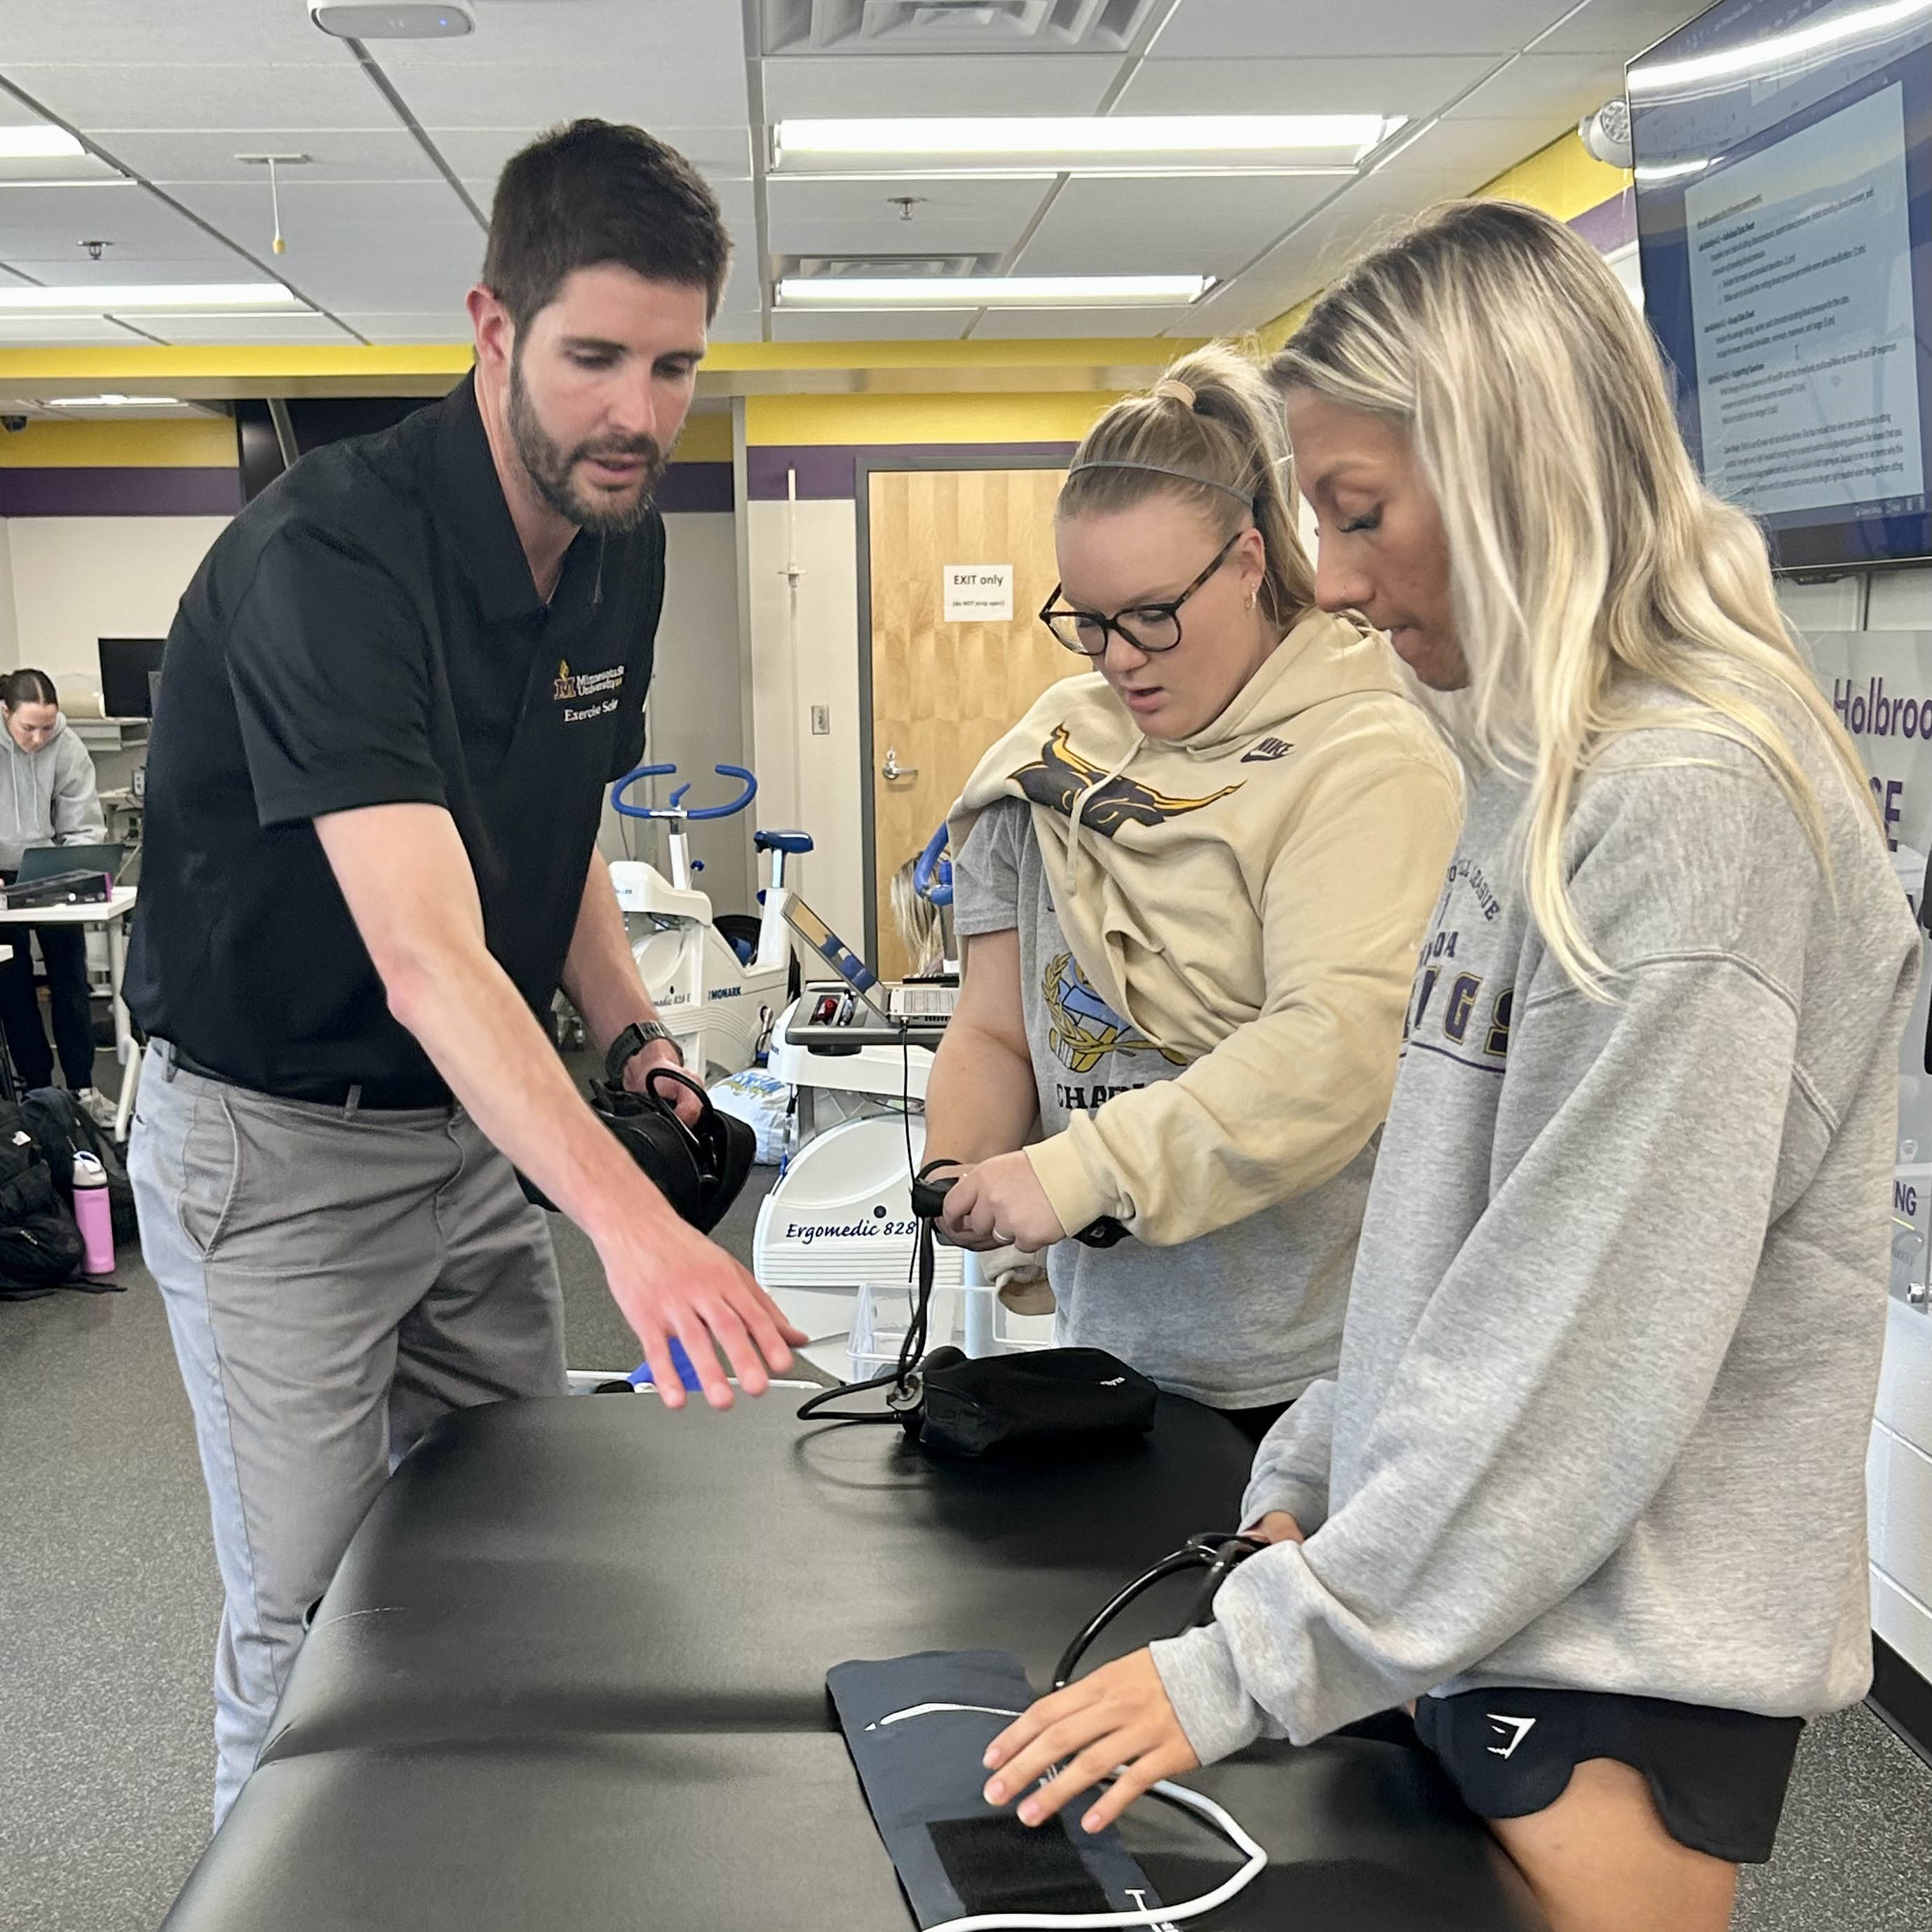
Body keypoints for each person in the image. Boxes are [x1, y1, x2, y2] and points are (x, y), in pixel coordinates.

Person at [975, 202, 1921, 1932]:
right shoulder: (1531, 766)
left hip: (1600, 1664)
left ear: (1506, 470)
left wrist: (1252, 1662)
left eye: (1356, 513)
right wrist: (1314, 1485)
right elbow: (1457, 1229)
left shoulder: (1688, 808)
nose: (1330, 577)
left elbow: (1583, 1349)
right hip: (1472, 1605)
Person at [125, 119, 803, 1827]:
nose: (638, 415)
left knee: (513, 1545)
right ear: (491, 326)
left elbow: (549, 814)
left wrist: (640, 1033)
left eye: (674, 365)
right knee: (310, 1606)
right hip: (271, 1147)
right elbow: (428, 952)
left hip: (463, 1132)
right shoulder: (329, 564)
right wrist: (636, 1237)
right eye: (592, 359)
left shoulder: (619, 540)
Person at [923, 343, 1462, 1440]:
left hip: (1309, 1380)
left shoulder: (1364, 758)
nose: (1118, 655)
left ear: (1249, 559)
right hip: (1105, 1351)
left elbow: (1329, 1050)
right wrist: (960, 1168)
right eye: (1087, 618)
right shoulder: (1054, 758)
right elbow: (992, 1025)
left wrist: (1077, 1171)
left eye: (1152, 613)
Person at [0, 668, 114, 1123]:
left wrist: (75, 867)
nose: (39, 737)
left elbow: (83, 821)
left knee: (69, 980)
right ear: (6, 713)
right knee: (13, 986)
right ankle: (41, 1095)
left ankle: (84, 1087)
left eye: (48, 726)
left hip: (50, 868)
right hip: (2, 875)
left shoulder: (65, 746)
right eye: (29, 727)